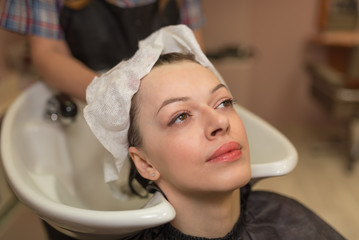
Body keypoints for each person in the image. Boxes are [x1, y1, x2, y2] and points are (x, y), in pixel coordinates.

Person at [83, 25, 345, 240]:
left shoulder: (286, 216)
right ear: (144, 163)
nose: (219, 122)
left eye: (223, 102)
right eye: (181, 116)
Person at [0, 0, 204, 101]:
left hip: (160, 97)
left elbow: (192, 49)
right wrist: (112, 97)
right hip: (82, 95)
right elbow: (48, 53)